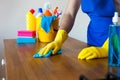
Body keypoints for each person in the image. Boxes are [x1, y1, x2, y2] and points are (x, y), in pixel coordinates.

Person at [38, 0, 117, 60]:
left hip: (117, 42)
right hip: (93, 42)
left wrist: (111, 45)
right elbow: (69, 13)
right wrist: (59, 37)